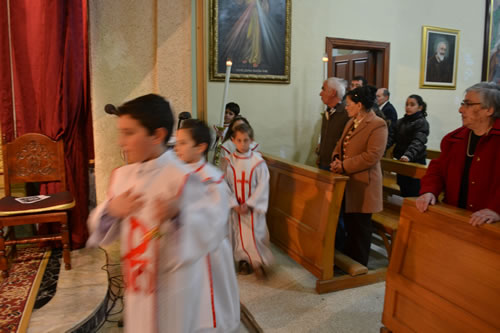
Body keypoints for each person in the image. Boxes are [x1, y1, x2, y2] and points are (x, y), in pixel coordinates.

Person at [86, 94, 237, 332]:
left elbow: (211, 229)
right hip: (138, 286)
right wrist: (111, 211)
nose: (120, 142)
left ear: (156, 135)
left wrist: (180, 215)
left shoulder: (183, 178)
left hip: (172, 288)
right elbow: (100, 228)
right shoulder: (122, 177)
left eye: (128, 133)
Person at [174, 118, 241, 332]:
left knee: (211, 306)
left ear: (201, 146)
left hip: (207, 252)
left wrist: (179, 216)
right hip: (184, 250)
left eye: (183, 142)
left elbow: (215, 222)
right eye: (177, 142)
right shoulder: (178, 173)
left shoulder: (212, 180)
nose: (177, 147)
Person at [417, 82, 500, 226]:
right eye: (463, 104)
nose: (461, 110)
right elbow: (437, 170)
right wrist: (429, 191)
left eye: (468, 104)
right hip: (454, 216)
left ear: (489, 110)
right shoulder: (455, 139)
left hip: (489, 226)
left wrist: (496, 210)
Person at [330, 85, 388, 266]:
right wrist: (336, 160)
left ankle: (360, 263)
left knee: (360, 227)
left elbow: (372, 156)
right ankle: (349, 260)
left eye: (349, 104)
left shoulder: (378, 124)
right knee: (349, 223)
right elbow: (340, 144)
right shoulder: (351, 121)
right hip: (348, 182)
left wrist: (344, 165)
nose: (346, 107)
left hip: (364, 185)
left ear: (359, 104)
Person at [224, 123, 273, 277]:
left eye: (246, 140)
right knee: (238, 234)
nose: (242, 144)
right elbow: (225, 184)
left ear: (251, 140)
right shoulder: (230, 161)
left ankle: (259, 262)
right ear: (233, 140)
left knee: (255, 233)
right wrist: (233, 203)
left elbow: (263, 185)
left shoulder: (258, 162)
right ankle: (243, 261)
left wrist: (251, 203)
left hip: (252, 207)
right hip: (236, 207)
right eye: (239, 140)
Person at [392, 95, 430, 197]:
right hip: (402, 160)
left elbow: (418, 141)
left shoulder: (422, 123)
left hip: (415, 160)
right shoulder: (400, 122)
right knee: (403, 188)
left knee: (414, 191)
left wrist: (408, 155)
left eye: (412, 105)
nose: (408, 107)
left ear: (420, 107)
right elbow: (391, 138)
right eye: (407, 104)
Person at [317, 77, 350, 170]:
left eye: (323, 89)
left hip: (337, 165)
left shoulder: (346, 113)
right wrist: (320, 155)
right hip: (324, 161)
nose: (320, 93)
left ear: (333, 92)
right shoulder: (328, 111)